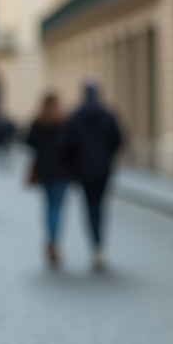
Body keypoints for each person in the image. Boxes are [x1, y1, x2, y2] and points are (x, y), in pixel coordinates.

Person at [62, 81, 123, 271]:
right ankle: (99, 245)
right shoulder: (109, 115)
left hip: (83, 170)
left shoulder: (76, 116)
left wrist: (74, 164)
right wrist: (106, 157)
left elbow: (68, 143)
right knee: (101, 207)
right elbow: (118, 141)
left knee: (89, 208)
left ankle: (94, 245)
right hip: (103, 169)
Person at [26, 93, 70, 268]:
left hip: (44, 170)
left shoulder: (38, 122)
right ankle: (54, 242)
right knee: (58, 207)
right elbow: (72, 146)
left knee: (48, 206)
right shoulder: (64, 122)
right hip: (62, 172)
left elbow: (29, 142)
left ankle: (50, 240)